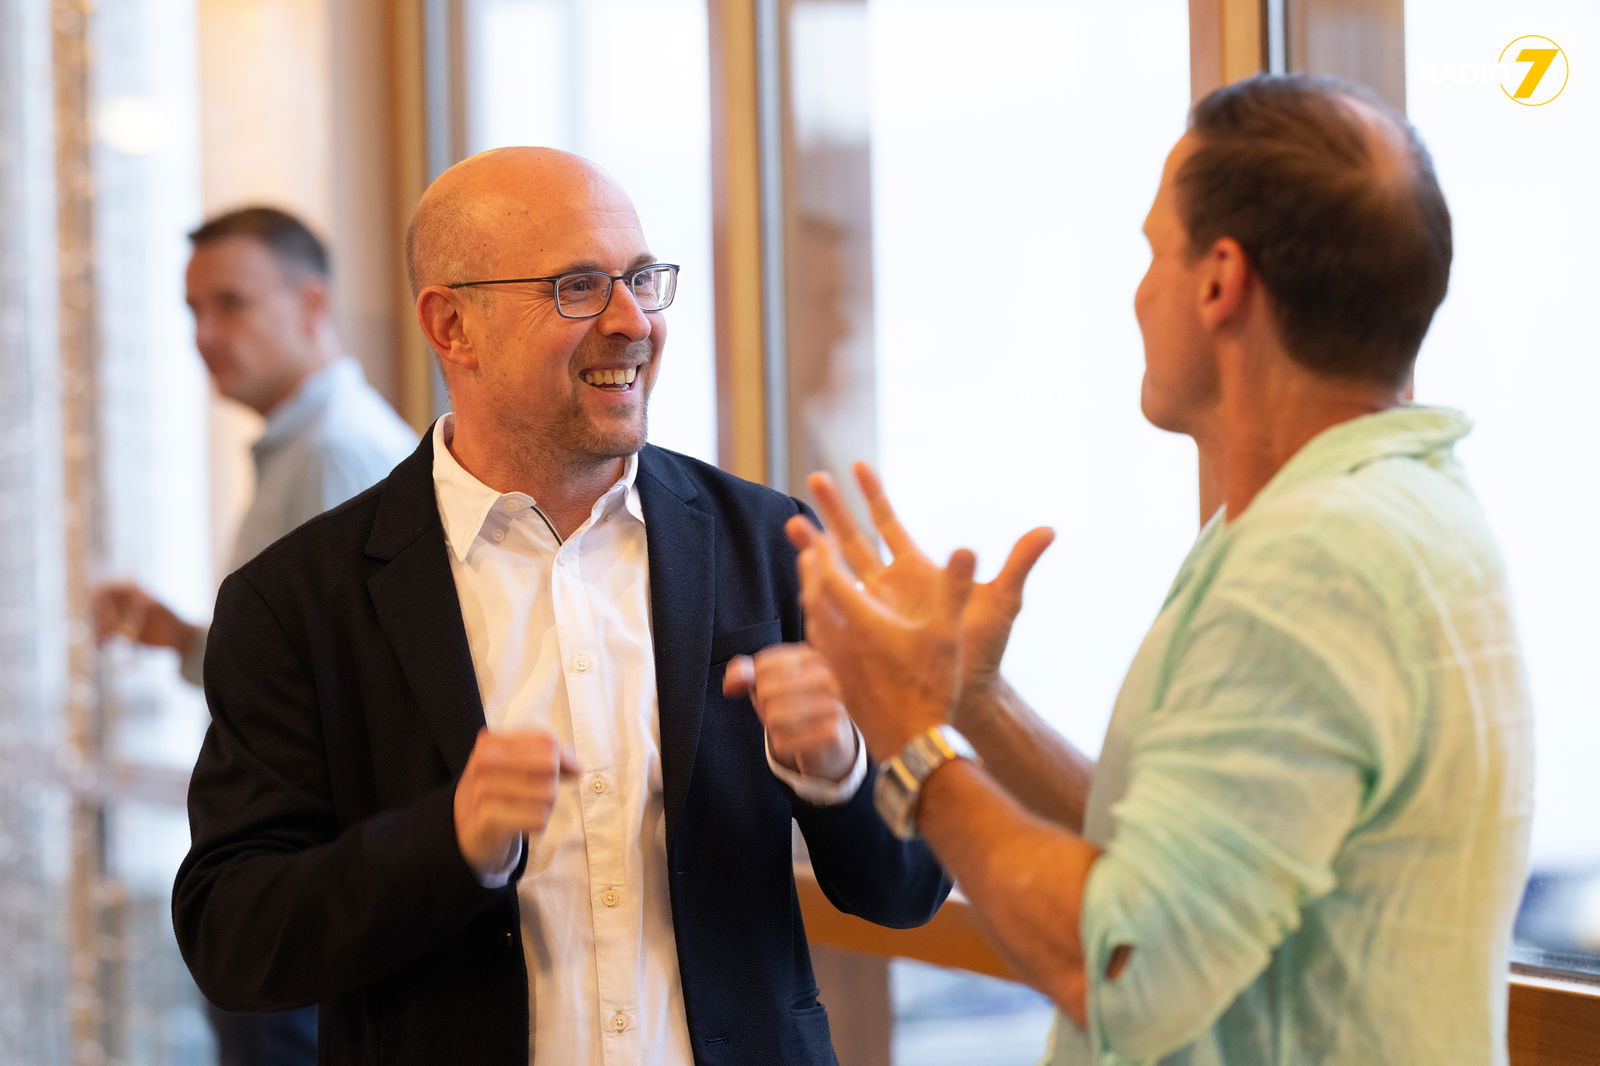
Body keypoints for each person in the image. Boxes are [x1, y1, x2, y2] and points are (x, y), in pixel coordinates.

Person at [787, 74, 1532, 1065]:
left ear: (1220, 281)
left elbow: (1126, 962)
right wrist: (974, 700)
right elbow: (1175, 860)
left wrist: (908, 736)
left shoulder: (1317, 561)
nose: (1139, 291)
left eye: (1152, 251)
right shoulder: (1377, 506)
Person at [171, 147, 949, 1066]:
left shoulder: (767, 543)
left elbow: (908, 887)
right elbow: (235, 936)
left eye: (643, 280)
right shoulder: (297, 599)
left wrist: (840, 768)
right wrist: (448, 842)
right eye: (579, 287)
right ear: (452, 325)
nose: (633, 322)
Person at [94, 206, 416, 1066]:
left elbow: (355, 691)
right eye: (192, 309)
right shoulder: (301, 451)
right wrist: (180, 638)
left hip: (312, 889)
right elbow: (294, 665)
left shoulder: (336, 455)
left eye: (230, 304)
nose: (204, 334)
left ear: (313, 305)